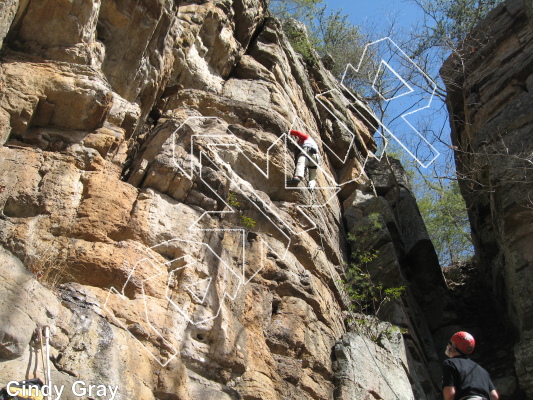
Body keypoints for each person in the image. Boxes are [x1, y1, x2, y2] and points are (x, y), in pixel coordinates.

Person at [442, 331, 499, 400]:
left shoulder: (450, 363)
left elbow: (450, 394)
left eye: (449, 342)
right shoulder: (482, 371)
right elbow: (494, 396)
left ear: (454, 346)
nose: (448, 346)